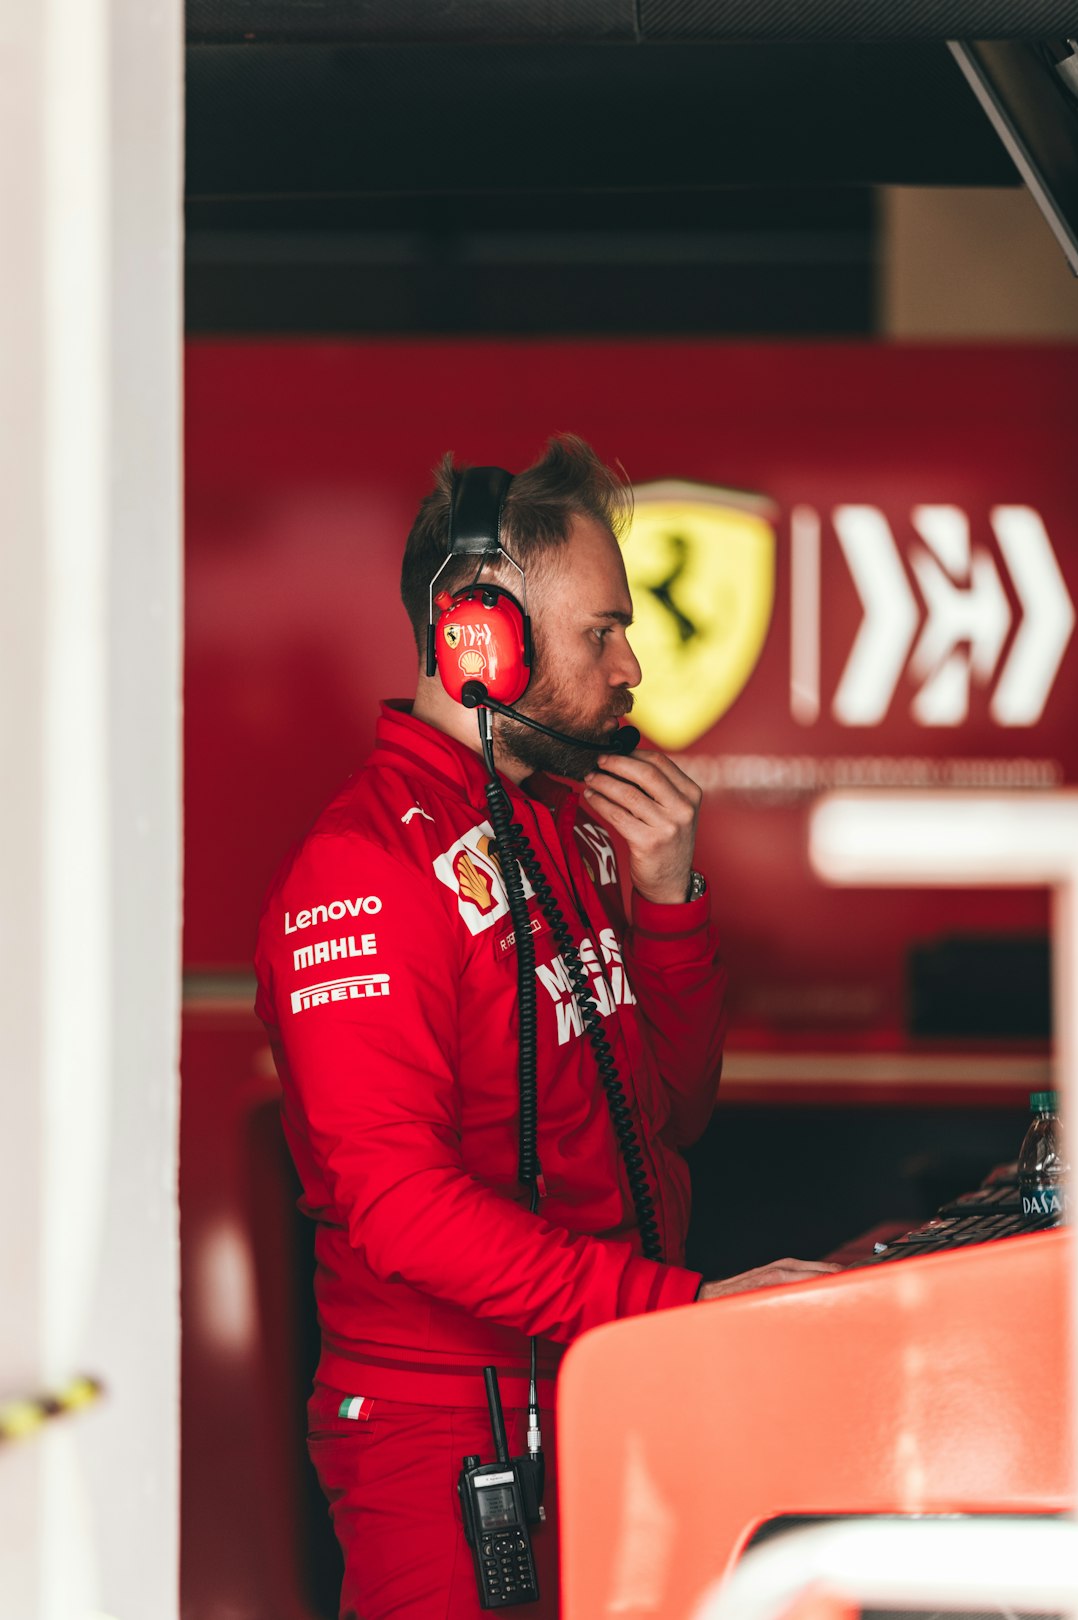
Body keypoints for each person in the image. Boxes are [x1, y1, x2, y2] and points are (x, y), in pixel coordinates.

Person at [254, 435, 837, 1620]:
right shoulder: (362, 872)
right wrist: (681, 1310)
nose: (632, 665)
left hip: (610, 1391)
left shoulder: (567, 831)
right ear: (481, 636)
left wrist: (670, 899)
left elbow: (670, 1115)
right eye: (601, 632)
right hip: (445, 1442)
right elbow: (401, 1207)